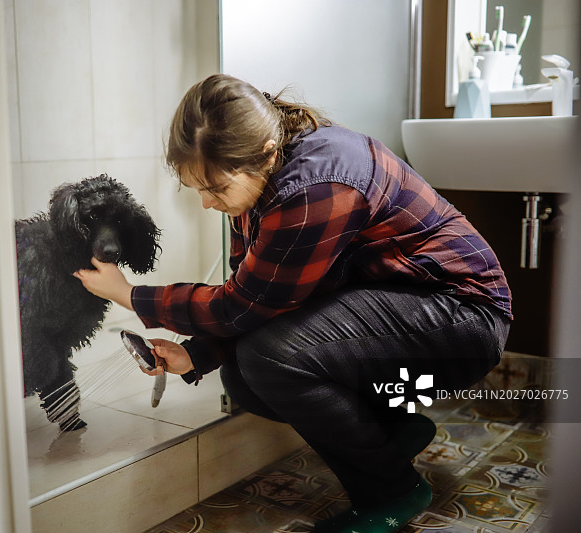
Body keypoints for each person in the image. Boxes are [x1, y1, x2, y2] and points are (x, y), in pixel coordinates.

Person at [73, 73, 511, 532]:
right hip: (402, 307)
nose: (205, 203)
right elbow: (263, 297)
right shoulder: (259, 185)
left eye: (216, 189)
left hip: (464, 316)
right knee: (241, 374)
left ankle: (392, 490)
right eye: (197, 188)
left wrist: (128, 295)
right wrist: (198, 354)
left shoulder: (314, 189)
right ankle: (392, 433)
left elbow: (241, 306)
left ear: (261, 153)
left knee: (267, 358)